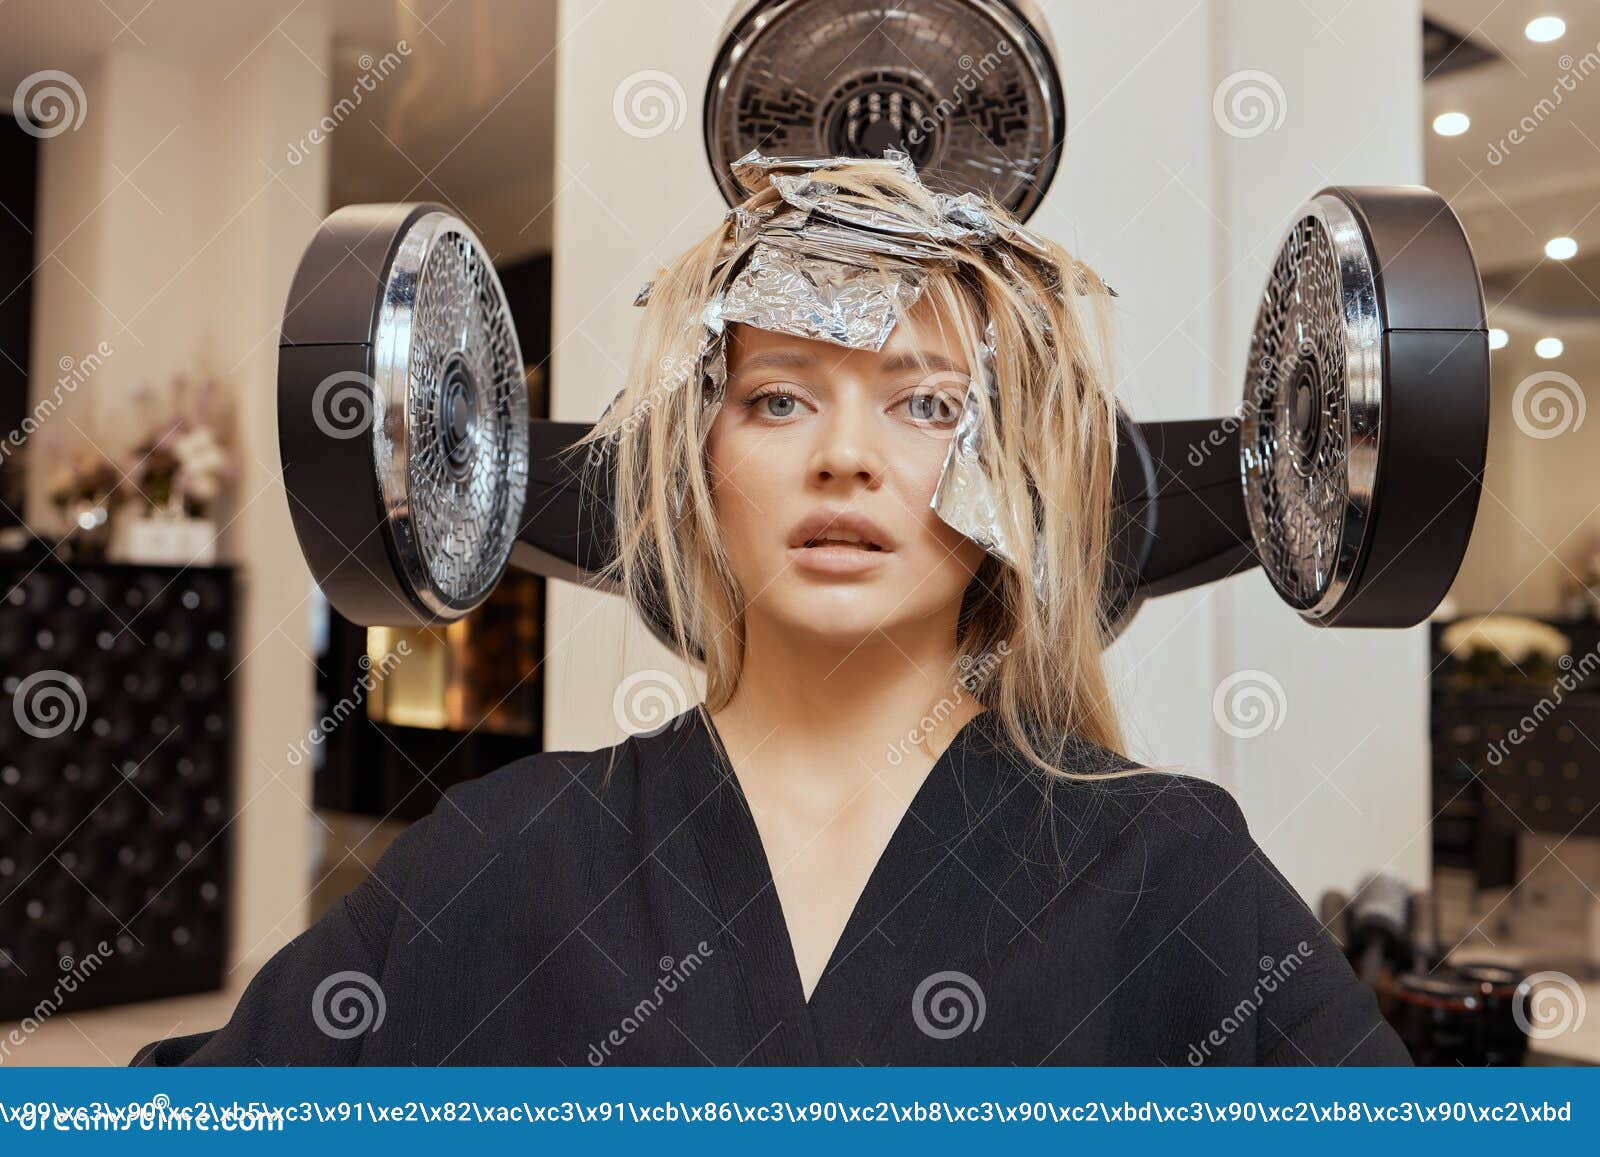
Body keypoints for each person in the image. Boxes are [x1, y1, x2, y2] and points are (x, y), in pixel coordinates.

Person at [132, 152, 1409, 1066]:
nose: (846, 458)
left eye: (928, 406)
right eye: (780, 398)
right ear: (694, 466)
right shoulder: (508, 855)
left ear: (1018, 481)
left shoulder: (1169, 866)